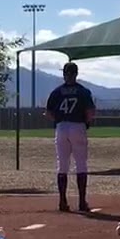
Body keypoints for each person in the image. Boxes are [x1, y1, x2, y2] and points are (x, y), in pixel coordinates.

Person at [45, 61, 96, 212]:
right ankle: (82, 202)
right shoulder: (83, 91)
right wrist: (86, 122)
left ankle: (62, 201)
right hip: (78, 125)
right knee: (81, 163)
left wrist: (59, 120)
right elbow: (90, 112)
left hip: (61, 127)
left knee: (62, 165)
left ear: (64, 74)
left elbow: (48, 113)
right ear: (76, 74)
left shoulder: (56, 92)